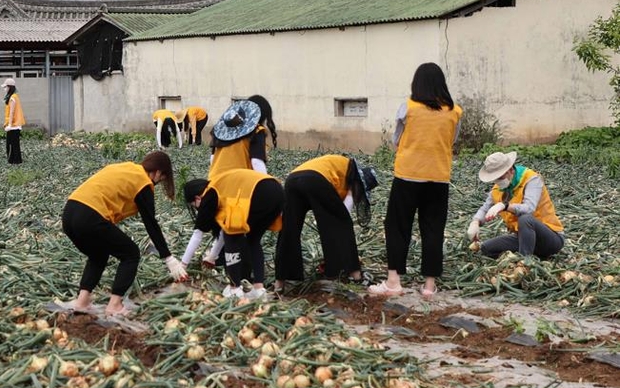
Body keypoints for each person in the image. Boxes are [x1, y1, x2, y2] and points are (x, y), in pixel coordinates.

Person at [369, 62, 462, 299]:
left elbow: (397, 140)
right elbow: (452, 141)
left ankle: (393, 282)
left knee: (398, 226)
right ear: (442, 84)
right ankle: (429, 286)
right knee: (433, 229)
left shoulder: (407, 108)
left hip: (408, 176)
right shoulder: (455, 112)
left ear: (417, 84)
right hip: (439, 178)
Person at [61, 151, 189, 317]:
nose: (158, 183)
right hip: (90, 215)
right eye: (162, 178)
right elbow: (151, 224)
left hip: (70, 213)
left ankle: (82, 302)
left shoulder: (126, 168)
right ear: (158, 172)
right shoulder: (143, 183)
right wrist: (169, 258)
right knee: (130, 253)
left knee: (98, 254)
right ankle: (114, 305)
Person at [274, 155, 378, 289]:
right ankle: (352, 274)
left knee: (289, 229)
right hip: (315, 180)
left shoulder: (340, 167)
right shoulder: (353, 180)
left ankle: (280, 281)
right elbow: (342, 214)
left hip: (292, 180)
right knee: (341, 224)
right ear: (361, 184)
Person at [181, 169, 284, 300]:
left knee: (232, 237)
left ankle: (235, 288)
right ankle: (259, 289)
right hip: (277, 191)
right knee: (253, 240)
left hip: (258, 193)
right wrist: (213, 256)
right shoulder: (221, 187)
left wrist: (182, 265)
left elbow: (198, 234)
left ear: (197, 198)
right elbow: (224, 229)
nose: (197, 208)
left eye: (194, 205)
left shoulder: (210, 193)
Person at [466, 151, 564, 259]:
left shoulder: (532, 179)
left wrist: (505, 206)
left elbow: (529, 208)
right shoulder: (498, 188)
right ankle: (529, 252)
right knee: (487, 248)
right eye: (495, 179)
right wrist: (475, 222)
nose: (497, 181)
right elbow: (485, 208)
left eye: (500, 177)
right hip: (524, 239)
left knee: (525, 219)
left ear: (510, 170)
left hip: (550, 240)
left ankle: (524, 263)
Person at [208, 97, 274, 180]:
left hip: (214, 181)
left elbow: (212, 159)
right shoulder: (256, 130)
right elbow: (256, 162)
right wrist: (267, 182)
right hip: (238, 182)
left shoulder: (223, 131)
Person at [2, 78, 25, 164]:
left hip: (13, 126)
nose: (5, 89)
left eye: (5, 87)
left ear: (9, 87)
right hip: (15, 125)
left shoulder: (12, 98)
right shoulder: (15, 96)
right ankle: (17, 161)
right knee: (15, 144)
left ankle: (13, 161)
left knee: (11, 145)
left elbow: (11, 112)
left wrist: (10, 125)